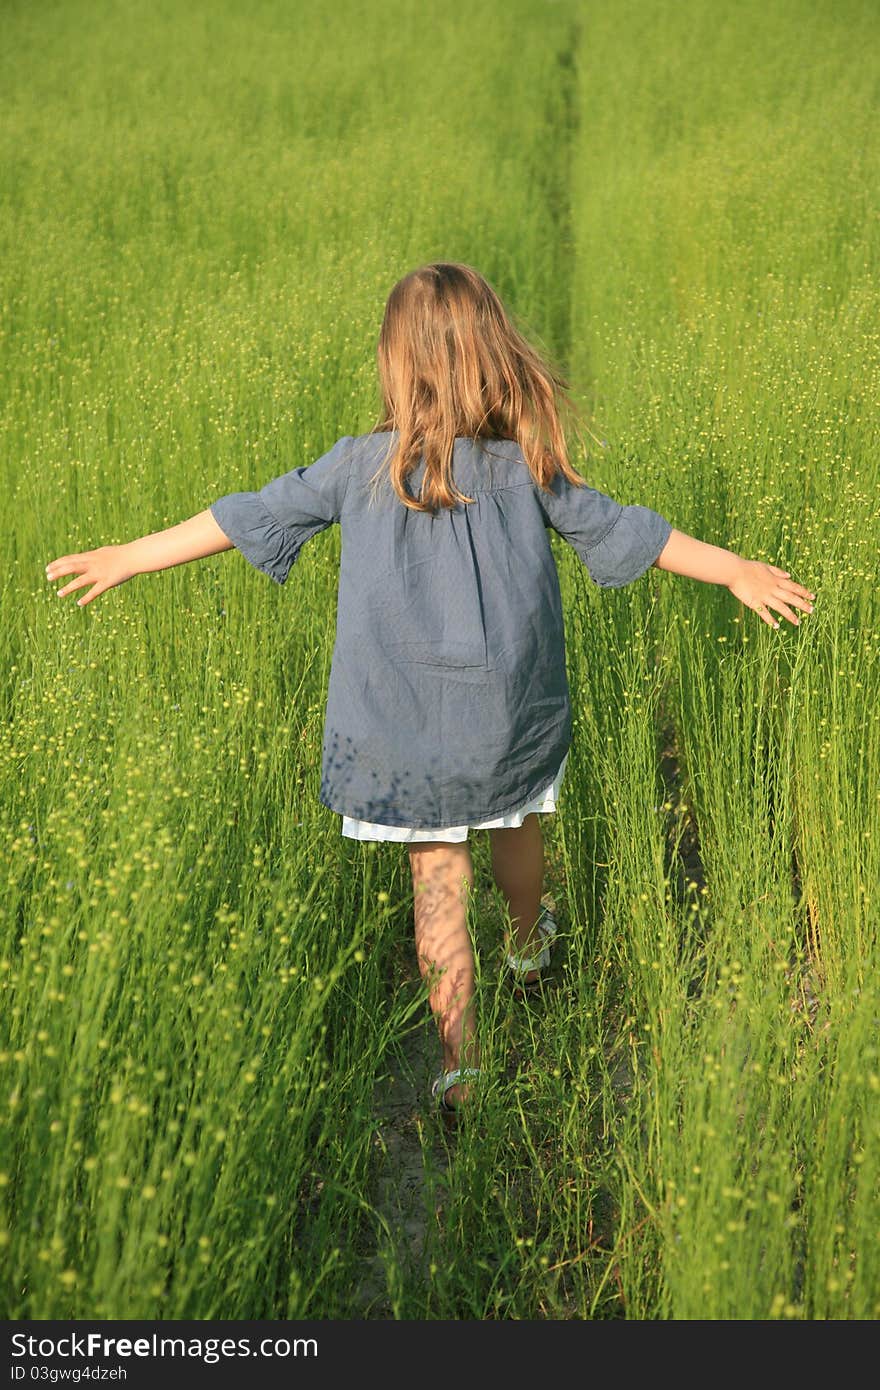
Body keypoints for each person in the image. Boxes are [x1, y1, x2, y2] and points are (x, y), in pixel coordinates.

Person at [44, 262, 815, 1120]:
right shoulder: (527, 466)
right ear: (492, 356)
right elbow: (628, 530)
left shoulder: (357, 467)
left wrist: (123, 557)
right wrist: (736, 570)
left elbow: (244, 517)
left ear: (394, 365)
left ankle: (460, 1065)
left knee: (437, 886)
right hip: (505, 724)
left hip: (402, 736)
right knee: (517, 826)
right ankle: (527, 947)